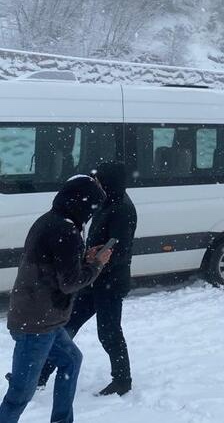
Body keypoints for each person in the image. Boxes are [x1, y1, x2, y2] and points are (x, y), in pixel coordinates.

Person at [0, 175, 111, 423]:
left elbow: (55, 268)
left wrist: (85, 260)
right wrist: (96, 265)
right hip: (37, 323)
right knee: (20, 393)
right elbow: (70, 283)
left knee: (71, 361)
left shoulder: (51, 220)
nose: (92, 215)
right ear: (82, 205)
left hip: (39, 316)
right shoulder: (67, 231)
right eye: (92, 208)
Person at [39, 162, 137, 397]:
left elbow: (120, 252)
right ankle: (40, 375)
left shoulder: (122, 209)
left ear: (110, 182)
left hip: (110, 282)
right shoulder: (108, 200)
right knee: (66, 325)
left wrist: (94, 257)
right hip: (93, 278)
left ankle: (122, 380)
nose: (96, 183)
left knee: (109, 331)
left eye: (100, 180)